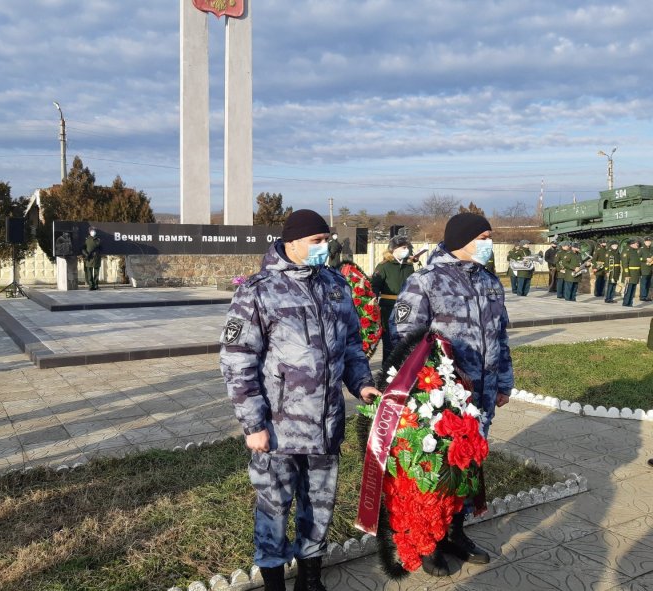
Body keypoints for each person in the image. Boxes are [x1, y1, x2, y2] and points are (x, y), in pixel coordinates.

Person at [219, 209, 379, 591]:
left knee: (319, 505)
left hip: (326, 424)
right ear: (292, 243)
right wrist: (253, 424)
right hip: (279, 428)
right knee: (274, 508)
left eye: (327, 240)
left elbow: (353, 346)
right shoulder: (258, 290)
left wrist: (362, 385)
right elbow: (236, 359)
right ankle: (274, 581)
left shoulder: (335, 286)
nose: (326, 247)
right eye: (317, 241)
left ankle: (311, 577)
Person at [390, 212, 513, 577]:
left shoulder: (491, 281)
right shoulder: (426, 281)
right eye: (485, 236)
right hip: (443, 398)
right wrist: (426, 393)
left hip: (484, 394)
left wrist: (504, 382)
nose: (490, 243)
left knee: (468, 467)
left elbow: (500, 336)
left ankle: (456, 533)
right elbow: (405, 340)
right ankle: (430, 541)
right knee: (438, 468)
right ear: (464, 238)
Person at [371, 235, 416, 379]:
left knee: (404, 342)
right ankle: (386, 375)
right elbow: (374, 287)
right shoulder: (384, 266)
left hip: (407, 308)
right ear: (394, 250)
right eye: (403, 247)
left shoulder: (409, 267)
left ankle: (402, 374)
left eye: (407, 247)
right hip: (388, 308)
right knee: (389, 343)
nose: (406, 250)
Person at [622, 237, 642, 307]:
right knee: (629, 288)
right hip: (630, 273)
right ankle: (626, 303)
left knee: (633, 289)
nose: (638, 245)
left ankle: (630, 302)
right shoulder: (626, 251)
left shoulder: (635, 251)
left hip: (636, 273)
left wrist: (639, 273)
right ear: (632, 244)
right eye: (637, 244)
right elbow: (625, 264)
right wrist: (627, 274)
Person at [639, 236, 652, 301]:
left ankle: (646, 296)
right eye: (647, 241)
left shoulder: (652, 249)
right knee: (643, 283)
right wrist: (645, 259)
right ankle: (642, 296)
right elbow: (638, 258)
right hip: (644, 269)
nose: (648, 242)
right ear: (644, 242)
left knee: (648, 284)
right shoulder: (641, 249)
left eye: (649, 241)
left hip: (650, 269)